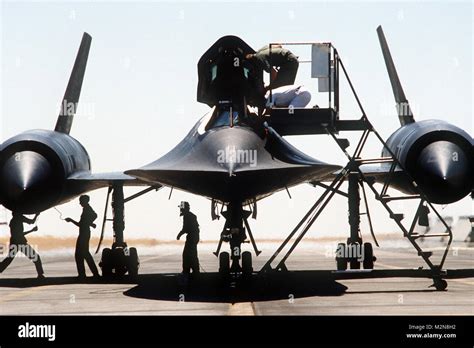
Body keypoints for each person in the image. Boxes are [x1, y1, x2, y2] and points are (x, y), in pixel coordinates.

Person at [0, 212, 44, 279]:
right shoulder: (16, 220)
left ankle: (40, 275)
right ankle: (40, 275)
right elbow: (20, 233)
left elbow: (31, 222)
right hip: (20, 242)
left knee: (8, 260)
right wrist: (32, 230)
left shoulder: (15, 220)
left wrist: (36, 215)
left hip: (15, 242)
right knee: (36, 257)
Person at [65, 195, 100, 279]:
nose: (80, 203)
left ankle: (84, 274)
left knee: (80, 254)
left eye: (81, 201)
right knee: (84, 253)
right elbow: (93, 216)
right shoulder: (86, 209)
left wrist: (71, 220)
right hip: (84, 233)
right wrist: (90, 223)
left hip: (84, 234)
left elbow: (81, 223)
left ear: (85, 201)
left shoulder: (87, 209)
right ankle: (91, 273)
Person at [176, 201, 200, 275]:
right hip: (194, 237)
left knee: (187, 254)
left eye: (181, 208)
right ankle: (194, 270)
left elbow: (185, 228)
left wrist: (179, 235)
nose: (180, 210)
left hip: (192, 237)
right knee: (192, 254)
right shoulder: (191, 215)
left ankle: (188, 270)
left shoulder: (187, 216)